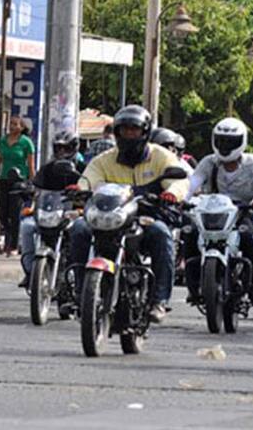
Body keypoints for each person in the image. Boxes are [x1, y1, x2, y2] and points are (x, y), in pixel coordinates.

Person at [69, 105, 189, 323]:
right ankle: (79, 290)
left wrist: (171, 193)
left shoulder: (161, 157)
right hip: (110, 217)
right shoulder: (105, 159)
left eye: (134, 130)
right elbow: (88, 178)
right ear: (117, 133)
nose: (129, 134)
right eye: (124, 130)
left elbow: (179, 182)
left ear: (144, 132)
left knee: (162, 234)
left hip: (146, 216)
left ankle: (159, 300)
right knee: (79, 228)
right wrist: (81, 189)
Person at [183, 117, 253, 307]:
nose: (225, 146)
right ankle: (193, 287)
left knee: (247, 238)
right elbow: (192, 183)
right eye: (221, 141)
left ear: (241, 142)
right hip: (210, 214)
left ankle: (251, 286)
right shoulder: (208, 162)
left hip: (241, 214)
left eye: (231, 142)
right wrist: (182, 199)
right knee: (190, 234)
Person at [17, 130, 87, 287]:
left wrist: (82, 199)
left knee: (81, 230)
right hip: (50, 213)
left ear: (74, 148)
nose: (61, 152)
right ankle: (30, 271)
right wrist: (26, 189)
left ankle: (79, 274)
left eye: (65, 148)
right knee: (27, 226)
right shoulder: (47, 168)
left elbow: (92, 188)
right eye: (58, 148)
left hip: (74, 214)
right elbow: (36, 185)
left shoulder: (83, 169)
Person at [0, 115, 35, 254]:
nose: (12, 127)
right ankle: (7, 237)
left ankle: (13, 246)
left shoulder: (26, 142)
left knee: (15, 212)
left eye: (15, 124)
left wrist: (32, 183)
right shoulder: (3, 141)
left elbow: (30, 165)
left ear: (22, 127)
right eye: (10, 124)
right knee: (2, 212)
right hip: (4, 179)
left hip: (19, 181)